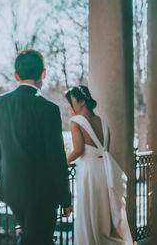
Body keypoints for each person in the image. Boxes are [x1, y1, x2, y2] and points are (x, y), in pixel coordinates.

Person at [0, 50, 72, 245]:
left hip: (12, 189)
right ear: (43, 74)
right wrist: (65, 198)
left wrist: (8, 170)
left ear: (16, 75)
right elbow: (56, 158)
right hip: (42, 192)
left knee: (31, 237)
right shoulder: (48, 108)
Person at [65, 86, 133, 245]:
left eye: (71, 101)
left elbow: (78, 150)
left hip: (89, 173)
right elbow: (104, 149)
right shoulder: (102, 122)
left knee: (90, 212)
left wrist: (62, 162)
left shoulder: (75, 121)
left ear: (81, 102)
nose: (68, 106)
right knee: (105, 213)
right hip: (106, 172)